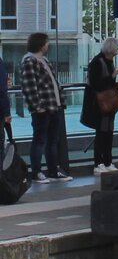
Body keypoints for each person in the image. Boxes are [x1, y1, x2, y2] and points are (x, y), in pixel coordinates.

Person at [20, 32, 69, 183]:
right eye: (46, 42)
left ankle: (53, 171)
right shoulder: (30, 60)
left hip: (53, 107)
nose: (48, 45)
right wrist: (37, 106)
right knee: (40, 140)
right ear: (40, 44)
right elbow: (29, 86)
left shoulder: (44, 60)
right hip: (43, 108)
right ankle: (36, 172)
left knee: (52, 140)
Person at [81, 37, 118, 174]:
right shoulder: (98, 62)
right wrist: (113, 76)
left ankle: (107, 161)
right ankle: (99, 163)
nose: (117, 50)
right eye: (116, 47)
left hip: (106, 105)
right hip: (99, 105)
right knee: (101, 133)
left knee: (108, 133)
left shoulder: (106, 62)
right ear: (111, 49)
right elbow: (97, 84)